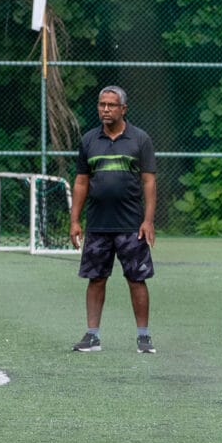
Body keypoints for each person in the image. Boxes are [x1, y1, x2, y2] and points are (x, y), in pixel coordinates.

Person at [69, 85, 158, 353]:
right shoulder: (88, 141)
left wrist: (148, 220)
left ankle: (143, 337)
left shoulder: (140, 140)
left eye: (111, 105)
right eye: (101, 105)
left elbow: (149, 181)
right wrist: (75, 220)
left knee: (136, 279)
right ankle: (92, 336)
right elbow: (82, 182)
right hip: (97, 223)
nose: (105, 109)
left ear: (123, 109)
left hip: (131, 224)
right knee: (95, 279)